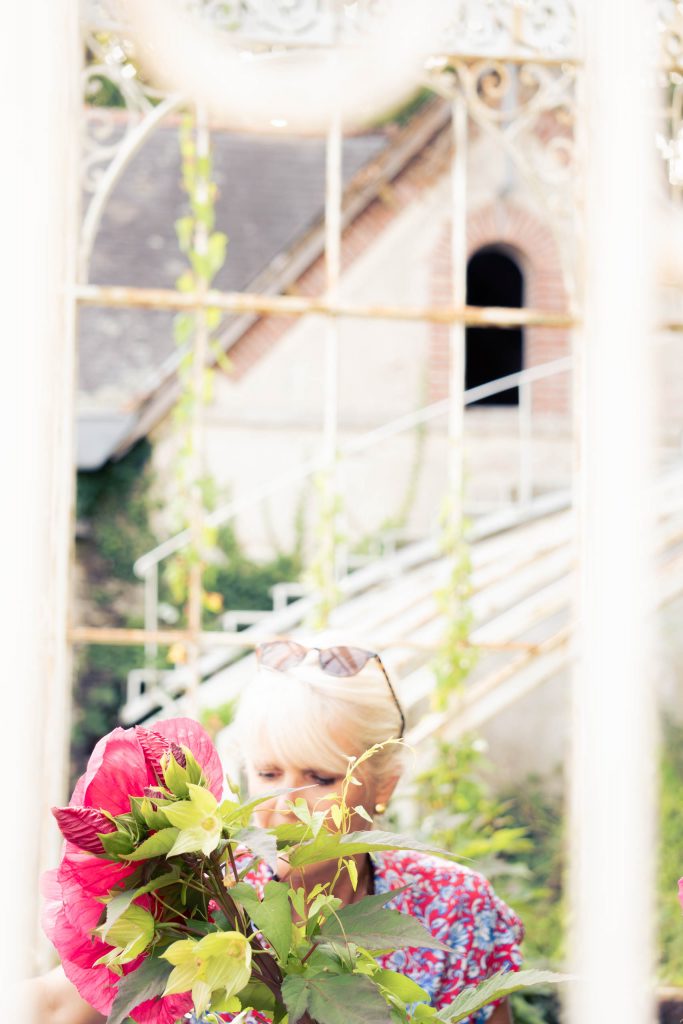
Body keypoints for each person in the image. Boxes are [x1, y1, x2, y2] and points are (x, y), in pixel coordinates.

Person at [34, 637, 523, 1024]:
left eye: (321, 778)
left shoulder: (455, 906)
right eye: (268, 774)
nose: (286, 805)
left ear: (383, 786)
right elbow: (53, 1007)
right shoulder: (196, 894)